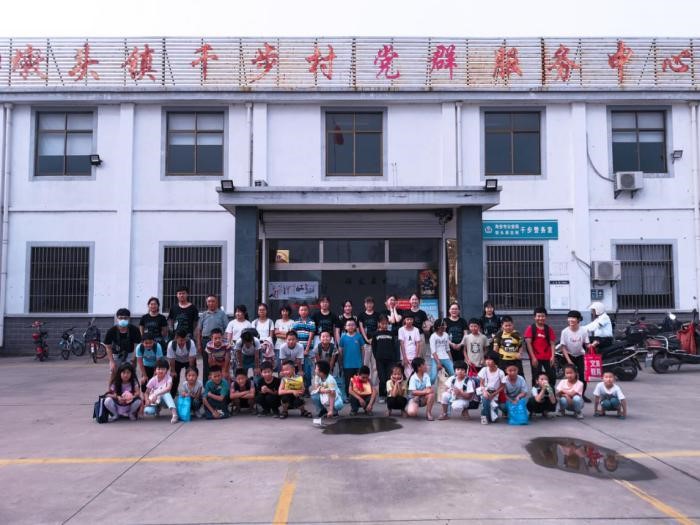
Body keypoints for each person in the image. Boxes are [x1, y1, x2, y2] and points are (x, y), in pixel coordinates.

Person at [560, 310, 591, 402]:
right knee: (570, 376)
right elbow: (563, 347)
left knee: (582, 376)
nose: (571, 320)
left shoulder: (583, 331)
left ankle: (581, 395)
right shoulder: (565, 332)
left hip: (580, 355)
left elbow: (587, 344)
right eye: (569, 318)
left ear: (578, 319)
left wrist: (592, 345)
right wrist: (569, 360)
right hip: (569, 356)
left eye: (573, 318)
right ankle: (568, 394)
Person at [197, 295, 229, 379]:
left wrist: (225, 341)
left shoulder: (222, 314)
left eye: (213, 301)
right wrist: (199, 344)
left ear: (217, 302)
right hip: (205, 341)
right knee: (207, 364)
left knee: (220, 363)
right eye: (209, 301)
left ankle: (219, 382)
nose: (211, 303)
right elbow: (199, 330)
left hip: (219, 342)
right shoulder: (204, 315)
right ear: (206, 303)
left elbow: (227, 329)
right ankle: (207, 384)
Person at [524, 307, 557, 387]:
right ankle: (536, 392)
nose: (540, 318)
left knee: (552, 376)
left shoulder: (548, 329)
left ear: (545, 317)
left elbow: (552, 344)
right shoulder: (530, 328)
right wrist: (533, 358)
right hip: (536, 358)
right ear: (534, 317)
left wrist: (553, 356)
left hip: (548, 357)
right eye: (538, 316)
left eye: (543, 316)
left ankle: (550, 391)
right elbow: (528, 344)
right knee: (536, 376)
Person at [105, 308, 142, 375]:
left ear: (129, 318)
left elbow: (137, 345)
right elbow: (108, 347)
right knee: (114, 372)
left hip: (131, 354)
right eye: (120, 318)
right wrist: (112, 362)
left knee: (130, 373)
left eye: (125, 318)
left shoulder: (135, 330)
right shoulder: (111, 331)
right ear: (117, 318)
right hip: (116, 354)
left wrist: (134, 358)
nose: (123, 320)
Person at [143, 358, 178, 423]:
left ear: (167, 370)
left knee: (166, 394)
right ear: (155, 370)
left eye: (163, 369)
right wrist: (147, 400)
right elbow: (146, 392)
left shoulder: (169, 378)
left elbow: (168, 388)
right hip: (155, 401)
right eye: (158, 369)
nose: (160, 371)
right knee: (147, 411)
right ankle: (157, 409)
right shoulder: (153, 380)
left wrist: (156, 394)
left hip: (165, 401)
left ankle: (174, 414)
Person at [339, 319, 365, 400]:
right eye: (349, 325)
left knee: (358, 381)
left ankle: (358, 396)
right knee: (348, 381)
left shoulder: (359, 336)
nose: (351, 326)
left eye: (352, 325)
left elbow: (362, 349)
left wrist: (363, 361)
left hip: (358, 364)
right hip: (347, 364)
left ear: (355, 327)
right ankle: (349, 397)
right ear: (345, 327)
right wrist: (341, 362)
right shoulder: (343, 337)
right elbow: (340, 350)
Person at [371, 315, 396, 401]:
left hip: (390, 360)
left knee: (389, 377)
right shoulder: (375, 334)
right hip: (380, 360)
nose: (384, 325)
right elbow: (374, 347)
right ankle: (382, 395)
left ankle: (389, 394)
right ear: (379, 324)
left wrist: (394, 358)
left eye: (386, 324)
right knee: (382, 377)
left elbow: (394, 346)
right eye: (382, 323)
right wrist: (377, 357)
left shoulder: (391, 334)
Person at [293, 303, 316, 391]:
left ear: (308, 311)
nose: (303, 311)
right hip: (297, 350)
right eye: (301, 310)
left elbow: (311, 337)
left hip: (308, 350)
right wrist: (298, 349)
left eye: (305, 310)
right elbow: (294, 335)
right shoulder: (296, 322)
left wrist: (306, 349)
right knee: (297, 370)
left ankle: (307, 389)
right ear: (299, 311)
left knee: (307, 370)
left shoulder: (311, 322)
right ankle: (298, 389)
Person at [478, 352, 506, 425]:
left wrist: (494, 394)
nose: (487, 361)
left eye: (490, 360)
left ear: (495, 361)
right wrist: (484, 391)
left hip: (495, 393)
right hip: (484, 390)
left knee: (493, 419)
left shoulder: (500, 372)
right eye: (486, 359)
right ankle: (484, 416)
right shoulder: (484, 370)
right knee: (485, 398)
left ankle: (489, 416)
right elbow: (481, 383)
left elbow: (502, 386)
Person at [166, 329, 197, 395]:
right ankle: (173, 394)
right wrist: (173, 371)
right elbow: (172, 359)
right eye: (181, 340)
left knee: (191, 375)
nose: (183, 342)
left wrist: (190, 372)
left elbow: (191, 359)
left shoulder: (191, 343)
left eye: (184, 340)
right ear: (176, 338)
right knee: (174, 377)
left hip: (188, 360)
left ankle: (193, 392)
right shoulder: (171, 345)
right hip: (177, 361)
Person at [429, 318, 454, 385]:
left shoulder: (446, 335)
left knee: (454, 374)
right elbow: (433, 351)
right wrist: (438, 363)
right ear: (439, 326)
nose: (446, 326)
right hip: (436, 358)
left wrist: (451, 360)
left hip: (445, 357)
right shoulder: (433, 336)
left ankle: (452, 388)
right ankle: (426, 388)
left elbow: (447, 349)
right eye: (444, 325)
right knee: (433, 377)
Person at [399, 314, 422, 379]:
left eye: (411, 319)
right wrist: (404, 358)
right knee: (406, 375)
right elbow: (402, 343)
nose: (409, 321)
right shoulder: (401, 330)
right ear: (404, 320)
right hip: (405, 355)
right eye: (407, 319)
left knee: (415, 374)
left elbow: (418, 343)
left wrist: (416, 357)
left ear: (413, 320)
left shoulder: (416, 330)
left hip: (414, 355)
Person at [274, 305, 294, 371]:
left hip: (289, 346)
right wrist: (287, 333)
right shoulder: (278, 321)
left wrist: (280, 332)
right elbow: (276, 334)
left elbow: (291, 335)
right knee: (279, 366)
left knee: (288, 366)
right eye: (283, 311)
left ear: (289, 312)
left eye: (286, 311)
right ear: (281, 312)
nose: (285, 313)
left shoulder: (292, 322)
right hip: (278, 346)